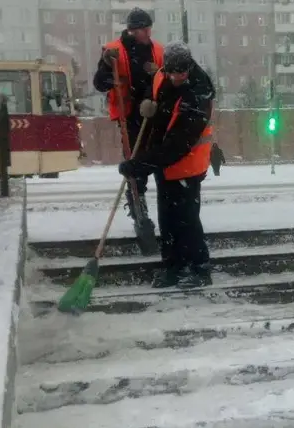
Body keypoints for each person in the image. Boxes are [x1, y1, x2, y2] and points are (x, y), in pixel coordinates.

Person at [118, 41, 215, 289]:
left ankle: (200, 269)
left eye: (181, 73)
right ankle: (174, 267)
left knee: (187, 219)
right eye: (172, 73)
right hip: (164, 163)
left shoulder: (198, 94)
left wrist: (140, 165)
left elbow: (177, 145)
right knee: (167, 219)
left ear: (189, 68)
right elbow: (156, 106)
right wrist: (148, 108)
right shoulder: (163, 76)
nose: (176, 78)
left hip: (187, 164)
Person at [92, 7, 163, 221]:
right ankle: (136, 200)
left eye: (149, 28)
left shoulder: (158, 50)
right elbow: (100, 84)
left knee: (158, 156)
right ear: (133, 30)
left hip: (154, 112)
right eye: (144, 29)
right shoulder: (114, 51)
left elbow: (167, 81)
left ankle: (162, 198)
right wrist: (106, 65)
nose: (148, 33)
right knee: (135, 158)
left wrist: (158, 74)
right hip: (129, 114)